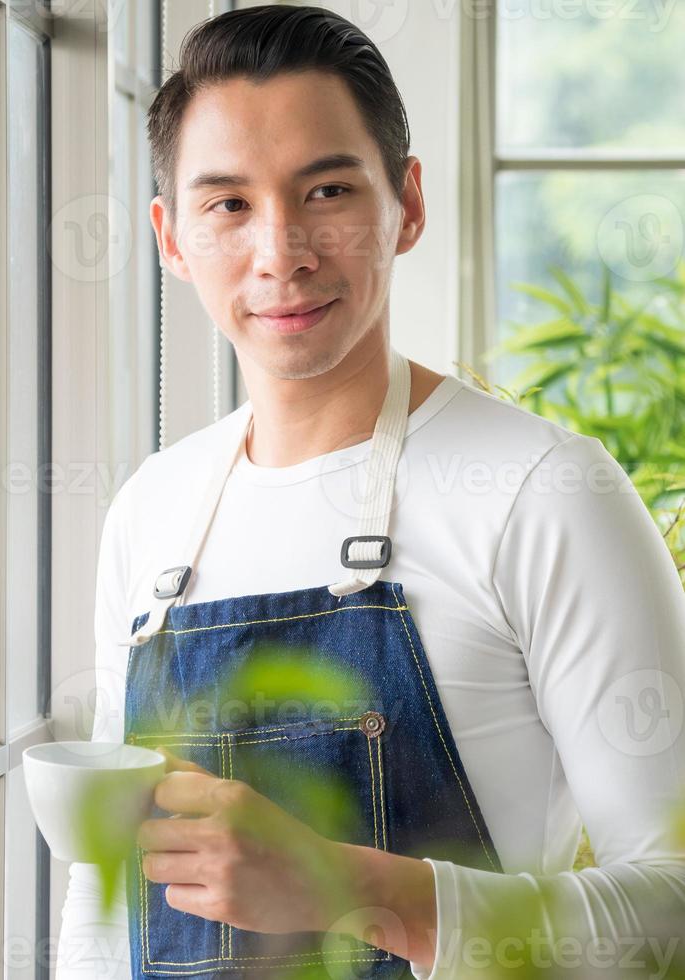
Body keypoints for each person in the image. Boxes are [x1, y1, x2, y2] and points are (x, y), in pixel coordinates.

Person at [56, 5, 685, 979]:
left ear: (408, 202)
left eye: (327, 189)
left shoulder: (545, 490)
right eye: (228, 204)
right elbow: (105, 912)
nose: (282, 252)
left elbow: (672, 903)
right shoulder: (150, 510)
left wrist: (348, 887)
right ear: (170, 237)